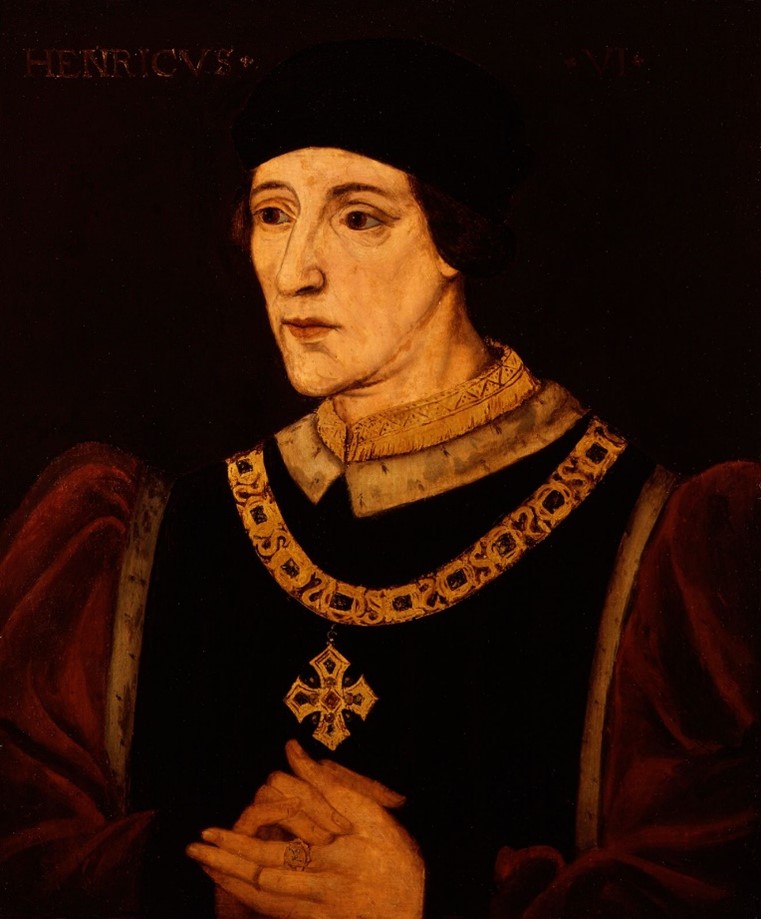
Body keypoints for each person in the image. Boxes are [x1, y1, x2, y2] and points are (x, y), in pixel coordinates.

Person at [0, 39, 759, 919]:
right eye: (274, 214)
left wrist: (431, 896)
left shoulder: (662, 541)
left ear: (454, 238)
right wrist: (216, 872)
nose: (296, 272)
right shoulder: (142, 532)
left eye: (358, 217)